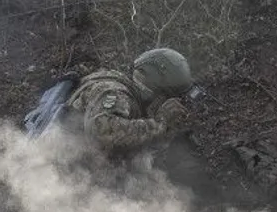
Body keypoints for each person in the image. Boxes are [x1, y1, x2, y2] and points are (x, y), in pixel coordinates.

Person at [64, 47, 196, 156]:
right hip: (63, 169)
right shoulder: (115, 92)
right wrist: (159, 123)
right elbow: (102, 133)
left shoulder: (132, 97)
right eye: (166, 97)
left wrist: (169, 131)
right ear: (155, 90)